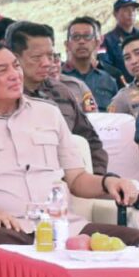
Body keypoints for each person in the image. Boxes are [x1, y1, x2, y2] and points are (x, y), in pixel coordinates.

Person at [0, 42, 139, 264]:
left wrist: (109, 182)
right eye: (2, 70)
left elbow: (77, 179)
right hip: (10, 228)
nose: (15, 75)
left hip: (65, 228)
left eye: (16, 66)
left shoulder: (48, 113)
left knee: (135, 241)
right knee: (3, 250)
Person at [8, 22, 108, 174]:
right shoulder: (2, 98)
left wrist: (96, 178)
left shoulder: (61, 92)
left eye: (50, 56)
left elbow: (91, 141)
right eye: (36, 57)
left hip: (73, 180)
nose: (46, 63)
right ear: (15, 58)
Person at [62, 16, 121, 110]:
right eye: (76, 37)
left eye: (87, 36)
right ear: (67, 45)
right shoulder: (57, 78)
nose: (81, 41)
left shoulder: (109, 80)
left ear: (97, 43)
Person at [101, 0, 139, 80]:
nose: (131, 13)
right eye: (126, 10)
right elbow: (104, 66)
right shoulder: (106, 40)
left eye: (133, 10)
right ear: (115, 14)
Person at [108, 34, 139, 117]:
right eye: (127, 58)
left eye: (138, 53)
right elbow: (110, 122)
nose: (133, 61)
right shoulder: (123, 97)